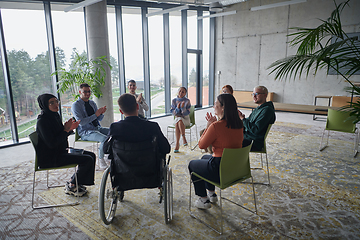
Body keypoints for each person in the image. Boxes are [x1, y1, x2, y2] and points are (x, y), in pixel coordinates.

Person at [188, 94, 243, 209]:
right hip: (235, 168)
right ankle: (212, 194)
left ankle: (204, 200)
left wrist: (209, 126)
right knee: (204, 158)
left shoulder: (216, 126)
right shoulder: (239, 124)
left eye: (215, 104)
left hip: (219, 170)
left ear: (223, 108)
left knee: (192, 165)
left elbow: (202, 145)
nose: (213, 107)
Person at [36, 93, 96, 197]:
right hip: (51, 158)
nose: (56, 105)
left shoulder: (54, 116)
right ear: (45, 105)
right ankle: (73, 184)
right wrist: (66, 130)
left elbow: (60, 135)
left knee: (91, 155)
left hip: (61, 151)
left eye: (56, 102)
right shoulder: (42, 121)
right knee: (87, 159)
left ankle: (76, 182)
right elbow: (52, 143)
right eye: (51, 103)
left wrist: (69, 129)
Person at [104, 93, 170, 160]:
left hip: (121, 168)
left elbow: (105, 149)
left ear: (121, 111)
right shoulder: (152, 126)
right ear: (137, 106)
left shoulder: (115, 128)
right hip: (149, 168)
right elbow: (166, 149)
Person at [71, 83, 110, 170]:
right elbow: (81, 122)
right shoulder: (76, 105)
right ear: (80, 92)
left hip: (97, 128)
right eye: (85, 92)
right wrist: (96, 115)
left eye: (89, 92)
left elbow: (98, 119)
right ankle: (101, 159)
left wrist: (101, 113)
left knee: (113, 131)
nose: (88, 94)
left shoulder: (92, 103)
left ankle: (107, 154)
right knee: (104, 139)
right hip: (86, 132)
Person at [239, 85, 276, 151]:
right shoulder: (259, 108)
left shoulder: (267, 110)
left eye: (256, 94)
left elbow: (255, 130)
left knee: (226, 142)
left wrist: (243, 119)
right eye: (253, 94)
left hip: (253, 142)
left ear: (265, 95)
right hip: (248, 138)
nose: (254, 96)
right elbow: (249, 120)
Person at [170, 87, 191, 153]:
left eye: (183, 92)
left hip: (186, 119)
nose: (181, 93)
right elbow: (173, 112)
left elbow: (187, 113)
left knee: (179, 120)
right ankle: (183, 138)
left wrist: (182, 108)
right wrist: (177, 108)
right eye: (180, 91)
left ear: (185, 93)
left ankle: (177, 144)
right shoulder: (174, 101)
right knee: (178, 120)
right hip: (178, 119)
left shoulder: (187, 101)